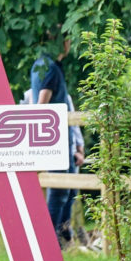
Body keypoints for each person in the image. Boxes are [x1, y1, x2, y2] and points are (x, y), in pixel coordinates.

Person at [30, 29, 77, 247]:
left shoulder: (44, 64)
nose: (69, 44)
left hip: (59, 140)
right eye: (67, 39)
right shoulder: (48, 66)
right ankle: (49, 242)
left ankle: (60, 236)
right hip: (55, 140)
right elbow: (42, 103)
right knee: (59, 191)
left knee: (66, 189)